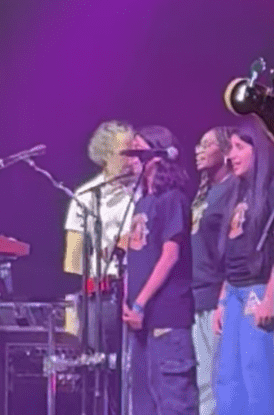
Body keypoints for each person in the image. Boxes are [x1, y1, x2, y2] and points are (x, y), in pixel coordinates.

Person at [213, 124, 274, 415]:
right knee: (229, 376)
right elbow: (232, 252)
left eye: (239, 148)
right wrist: (222, 300)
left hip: (258, 288)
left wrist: (271, 297)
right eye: (230, 148)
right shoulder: (237, 192)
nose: (231, 155)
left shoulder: (273, 186)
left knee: (259, 374)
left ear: (257, 150)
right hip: (234, 290)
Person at [122, 125, 198, 415]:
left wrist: (140, 303)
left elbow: (170, 256)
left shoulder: (173, 200)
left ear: (155, 157)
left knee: (173, 402)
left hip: (166, 316)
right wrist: (129, 303)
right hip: (140, 320)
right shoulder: (143, 202)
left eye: (136, 152)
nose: (130, 160)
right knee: (143, 403)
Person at [63, 120, 134, 414]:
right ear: (105, 156)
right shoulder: (85, 196)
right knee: (97, 375)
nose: (132, 160)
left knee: (129, 371)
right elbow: (72, 260)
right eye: (125, 152)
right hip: (98, 298)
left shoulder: (142, 192)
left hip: (134, 291)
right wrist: (72, 313)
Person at [190, 127, 236, 415]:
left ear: (226, 150)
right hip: (196, 294)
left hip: (217, 294)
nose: (198, 150)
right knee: (201, 378)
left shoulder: (233, 190)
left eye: (206, 145)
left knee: (216, 378)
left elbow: (232, 250)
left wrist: (223, 294)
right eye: (198, 143)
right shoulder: (205, 192)